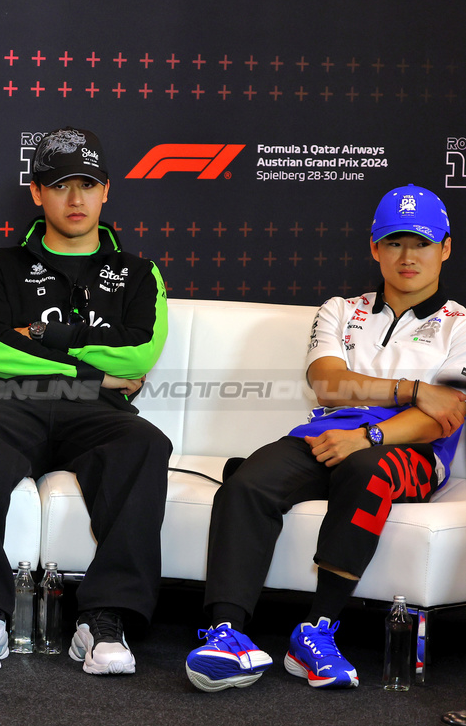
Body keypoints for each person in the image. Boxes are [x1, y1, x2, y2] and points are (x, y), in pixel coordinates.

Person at [186, 184, 466, 692]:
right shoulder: (341, 308)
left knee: (367, 468)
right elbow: (329, 383)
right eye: (395, 242)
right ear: (374, 248)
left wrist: (371, 434)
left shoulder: (460, 326)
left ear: (445, 248)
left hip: (408, 450)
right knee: (248, 481)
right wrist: (412, 389)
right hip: (323, 436)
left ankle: (316, 633)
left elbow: (442, 418)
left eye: (422, 243)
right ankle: (226, 634)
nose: (408, 256)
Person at [0, 126, 171, 676]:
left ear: (107, 190)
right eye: (60, 185)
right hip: (12, 404)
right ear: (36, 193)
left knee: (146, 443)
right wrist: (89, 371)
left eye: (87, 184)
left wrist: (41, 339)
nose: (75, 199)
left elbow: (137, 358)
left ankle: (105, 618)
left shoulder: (138, 272)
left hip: (99, 417)